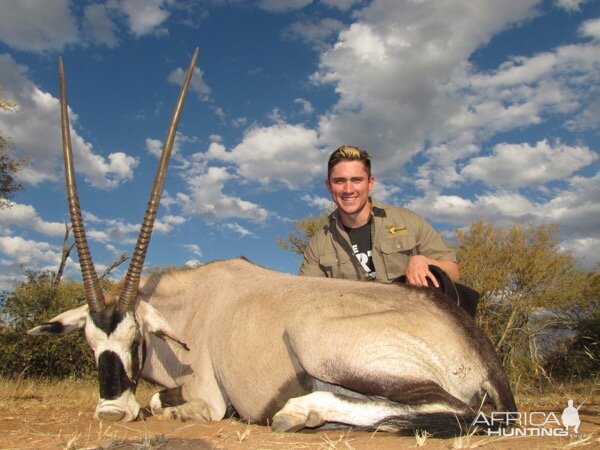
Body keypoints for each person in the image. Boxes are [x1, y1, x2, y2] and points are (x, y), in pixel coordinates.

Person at [300, 145, 479, 316]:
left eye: (356, 180)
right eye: (339, 181)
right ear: (328, 186)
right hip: (353, 334)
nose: (348, 189)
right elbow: (306, 298)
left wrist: (424, 261)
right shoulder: (319, 243)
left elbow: (454, 272)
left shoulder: (408, 220)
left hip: (412, 324)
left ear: (370, 183)